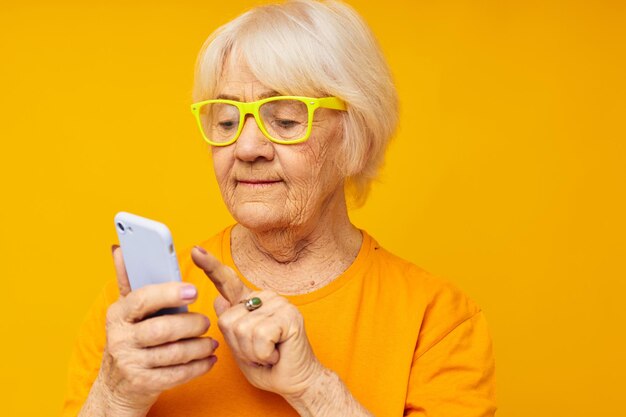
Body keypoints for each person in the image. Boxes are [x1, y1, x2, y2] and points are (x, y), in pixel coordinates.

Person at [63, 1, 496, 416]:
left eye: (286, 120)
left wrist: (312, 387)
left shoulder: (437, 321)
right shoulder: (139, 315)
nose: (246, 147)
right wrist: (116, 398)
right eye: (227, 121)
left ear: (356, 142)